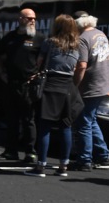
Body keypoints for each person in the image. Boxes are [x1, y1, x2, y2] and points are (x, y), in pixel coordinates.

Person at [24, 14, 86, 177]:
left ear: (57, 27)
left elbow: (39, 63)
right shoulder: (77, 45)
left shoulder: (49, 42)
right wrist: (75, 85)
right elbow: (81, 67)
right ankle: (63, 167)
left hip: (50, 84)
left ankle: (40, 167)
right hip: (67, 86)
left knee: (44, 127)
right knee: (65, 126)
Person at [0, 6, 41, 162]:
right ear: (21, 19)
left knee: (29, 119)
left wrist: (38, 75)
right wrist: (1, 73)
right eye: (29, 18)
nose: (32, 21)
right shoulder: (10, 38)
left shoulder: (38, 38)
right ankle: (10, 151)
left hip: (28, 85)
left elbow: (44, 59)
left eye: (34, 18)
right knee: (12, 119)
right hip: (11, 84)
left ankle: (30, 152)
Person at [69, 12, 109, 171]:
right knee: (91, 120)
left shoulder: (82, 39)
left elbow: (81, 65)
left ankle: (84, 160)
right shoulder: (101, 35)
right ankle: (103, 155)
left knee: (83, 123)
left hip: (89, 86)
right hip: (102, 84)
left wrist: (75, 85)